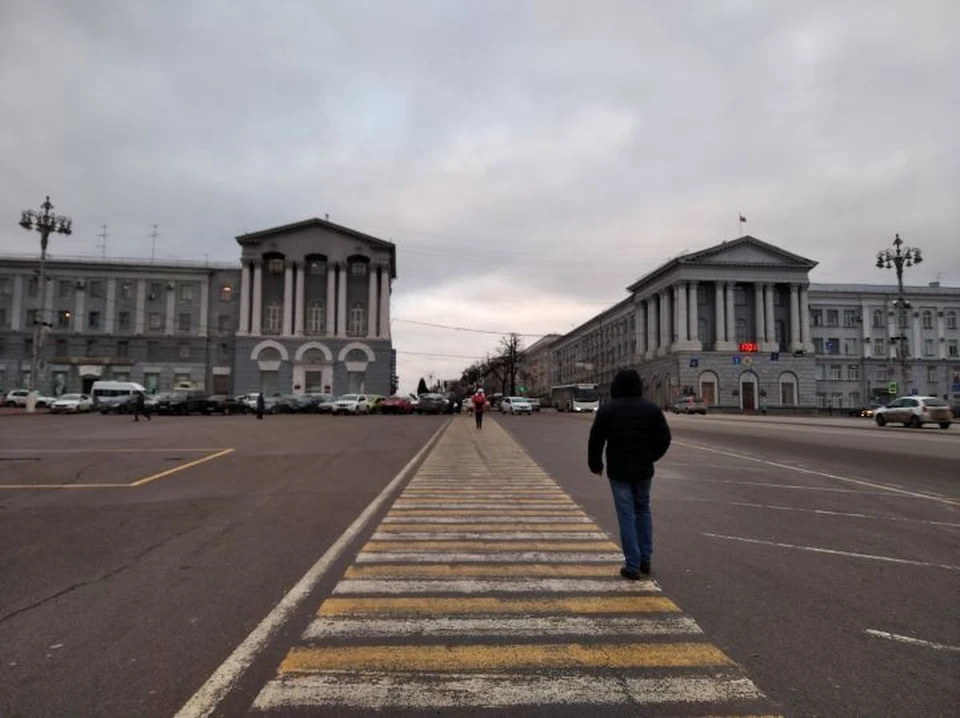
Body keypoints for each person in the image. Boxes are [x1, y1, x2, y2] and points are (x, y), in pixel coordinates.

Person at [588, 369, 671, 580]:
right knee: (643, 509)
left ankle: (632, 565)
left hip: (619, 471)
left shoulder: (608, 410)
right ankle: (645, 559)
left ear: (616, 386)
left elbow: (596, 440)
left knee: (626, 515)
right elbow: (664, 438)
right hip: (644, 470)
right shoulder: (651, 409)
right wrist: (652, 457)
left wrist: (596, 464)